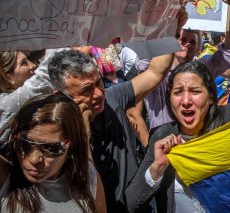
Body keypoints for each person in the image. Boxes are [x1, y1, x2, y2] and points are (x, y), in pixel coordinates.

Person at [48, 49, 173, 212]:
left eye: (98, 82)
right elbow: (86, 189)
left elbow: (156, 72)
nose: (99, 94)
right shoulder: (54, 137)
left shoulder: (112, 98)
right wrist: (82, 134)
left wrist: (170, 26)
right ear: (60, 96)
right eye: (86, 90)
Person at [124, 61, 230, 212]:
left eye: (195, 91)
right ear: (169, 99)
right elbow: (132, 204)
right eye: (178, 92)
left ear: (211, 97)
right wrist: (156, 170)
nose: (186, 101)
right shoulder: (161, 136)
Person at [135, 0, 230, 130]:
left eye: (192, 42)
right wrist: (172, 13)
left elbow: (229, 54)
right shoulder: (154, 72)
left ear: (198, 47)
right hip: (164, 146)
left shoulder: (202, 68)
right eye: (182, 40)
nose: (187, 45)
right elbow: (143, 58)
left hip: (196, 145)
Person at [0, 93, 106, 213]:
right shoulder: (0, 179)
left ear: (71, 146)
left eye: (51, 148)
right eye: (24, 144)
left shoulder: (86, 176)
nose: (34, 159)